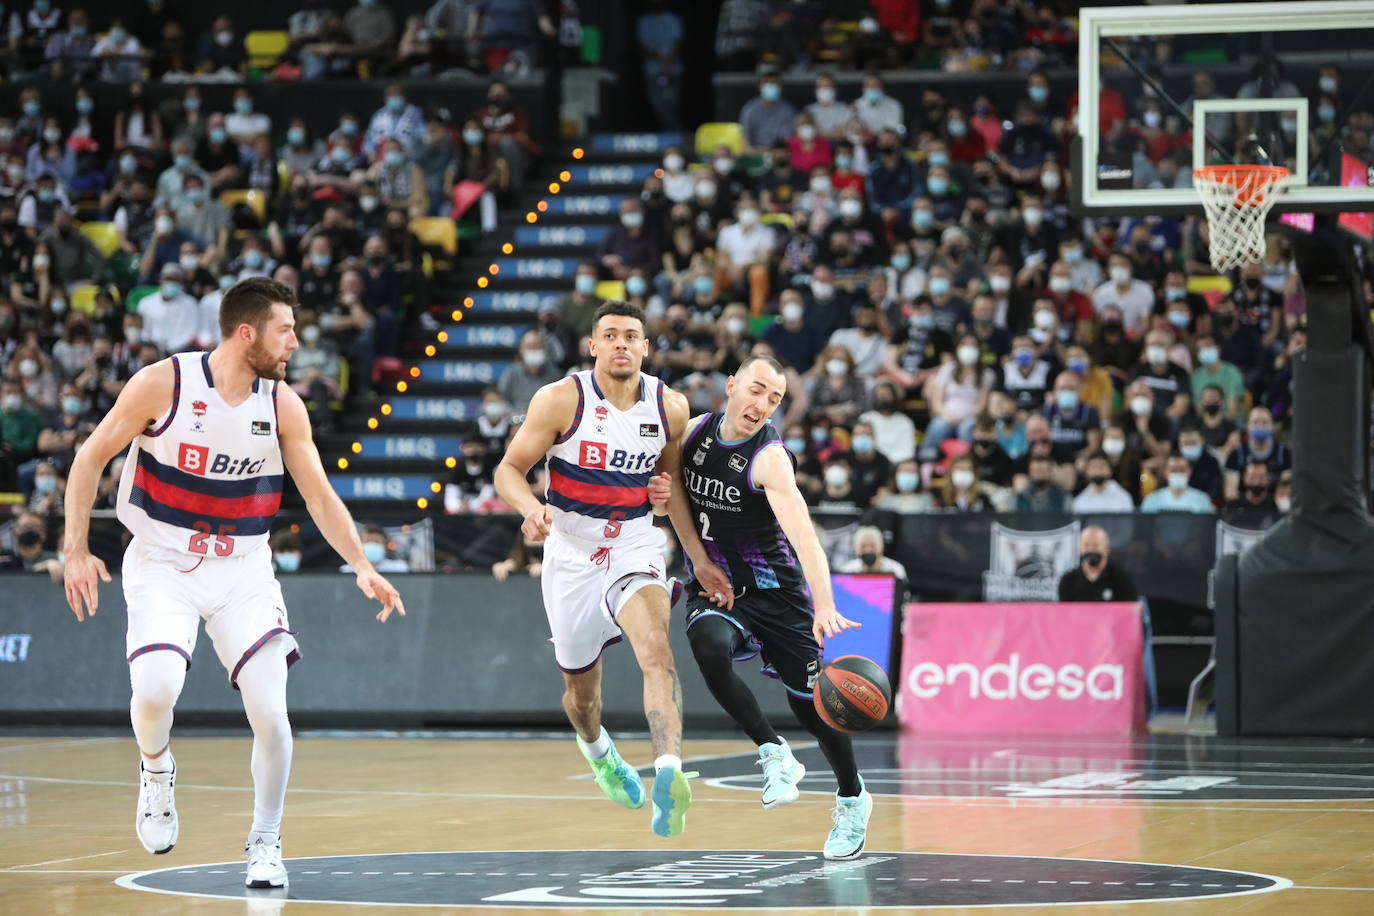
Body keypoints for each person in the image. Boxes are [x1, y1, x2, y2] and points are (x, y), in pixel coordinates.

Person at [61, 277, 405, 890]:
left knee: (272, 715)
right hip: (163, 560)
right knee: (155, 692)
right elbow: (89, 458)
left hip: (243, 567)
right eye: (285, 330)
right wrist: (76, 547)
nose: (296, 342)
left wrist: (364, 564)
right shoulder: (162, 383)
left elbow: (320, 495)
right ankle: (156, 768)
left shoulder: (282, 405)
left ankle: (266, 840)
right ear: (247, 333)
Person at [493, 300, 700, 839]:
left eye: (632, 335)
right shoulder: (561, 398)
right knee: (583, 697)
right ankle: (599, 751)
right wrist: (530, 510)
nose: (621, 344)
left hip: (633, 542)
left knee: (656, 647)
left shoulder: (669, 407)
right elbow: (509, 470)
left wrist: (665, 496)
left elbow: (667, 484)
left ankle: (669, 772)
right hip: (571, 552)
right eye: (610, 335)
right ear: (593, 346)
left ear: (646, 347)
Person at [665, 354, 871, 859]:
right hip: (718, 584)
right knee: (707, 645)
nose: (762, 405)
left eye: (774, 399)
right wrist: (697, 560)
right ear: (731, 385)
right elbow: (670, 496)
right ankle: (772, 750)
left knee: (815, 709)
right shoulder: (693, 433)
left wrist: (824, 604)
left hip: (776, 593)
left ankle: (852, 797)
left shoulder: (770, 458)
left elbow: (805, 539)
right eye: (756, 391)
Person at [1058, 525, 1137, 602]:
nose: (1091, 549)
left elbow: (1129, 611)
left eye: (1096, 545)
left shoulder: (1122, 579)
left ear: (1107, 549)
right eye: (1086, 545)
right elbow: (1064, 613)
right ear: (1080, 549)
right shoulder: (1068, 581)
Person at [1140, 453, 1215, 514]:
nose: (1178, 473)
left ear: (1190, 472)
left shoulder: (1202, 499)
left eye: (1182, 470)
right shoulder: (1151, 500)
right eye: (1173, 470)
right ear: (1165, 472)